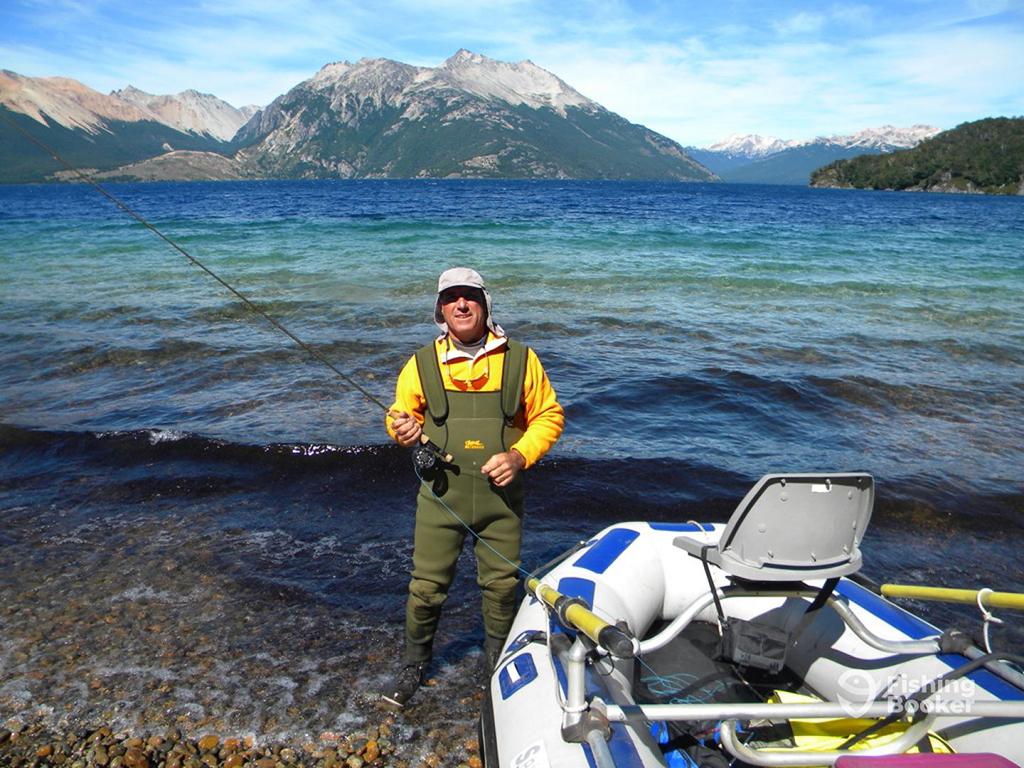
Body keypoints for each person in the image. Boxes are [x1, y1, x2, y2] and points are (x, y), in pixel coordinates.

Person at [382, 267, 564, 707]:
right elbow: (398, 413)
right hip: (440, 498)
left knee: (502, 587)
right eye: (451, 298)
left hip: (502, 501)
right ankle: (414, 665)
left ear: (484, 304)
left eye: (470, 297)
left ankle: (496, 665)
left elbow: (549, 416)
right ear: (440, 310)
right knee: (425, 588)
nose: (461, 305)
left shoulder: (522, 359)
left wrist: (519, 456)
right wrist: (400, 430)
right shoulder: (421, 363)